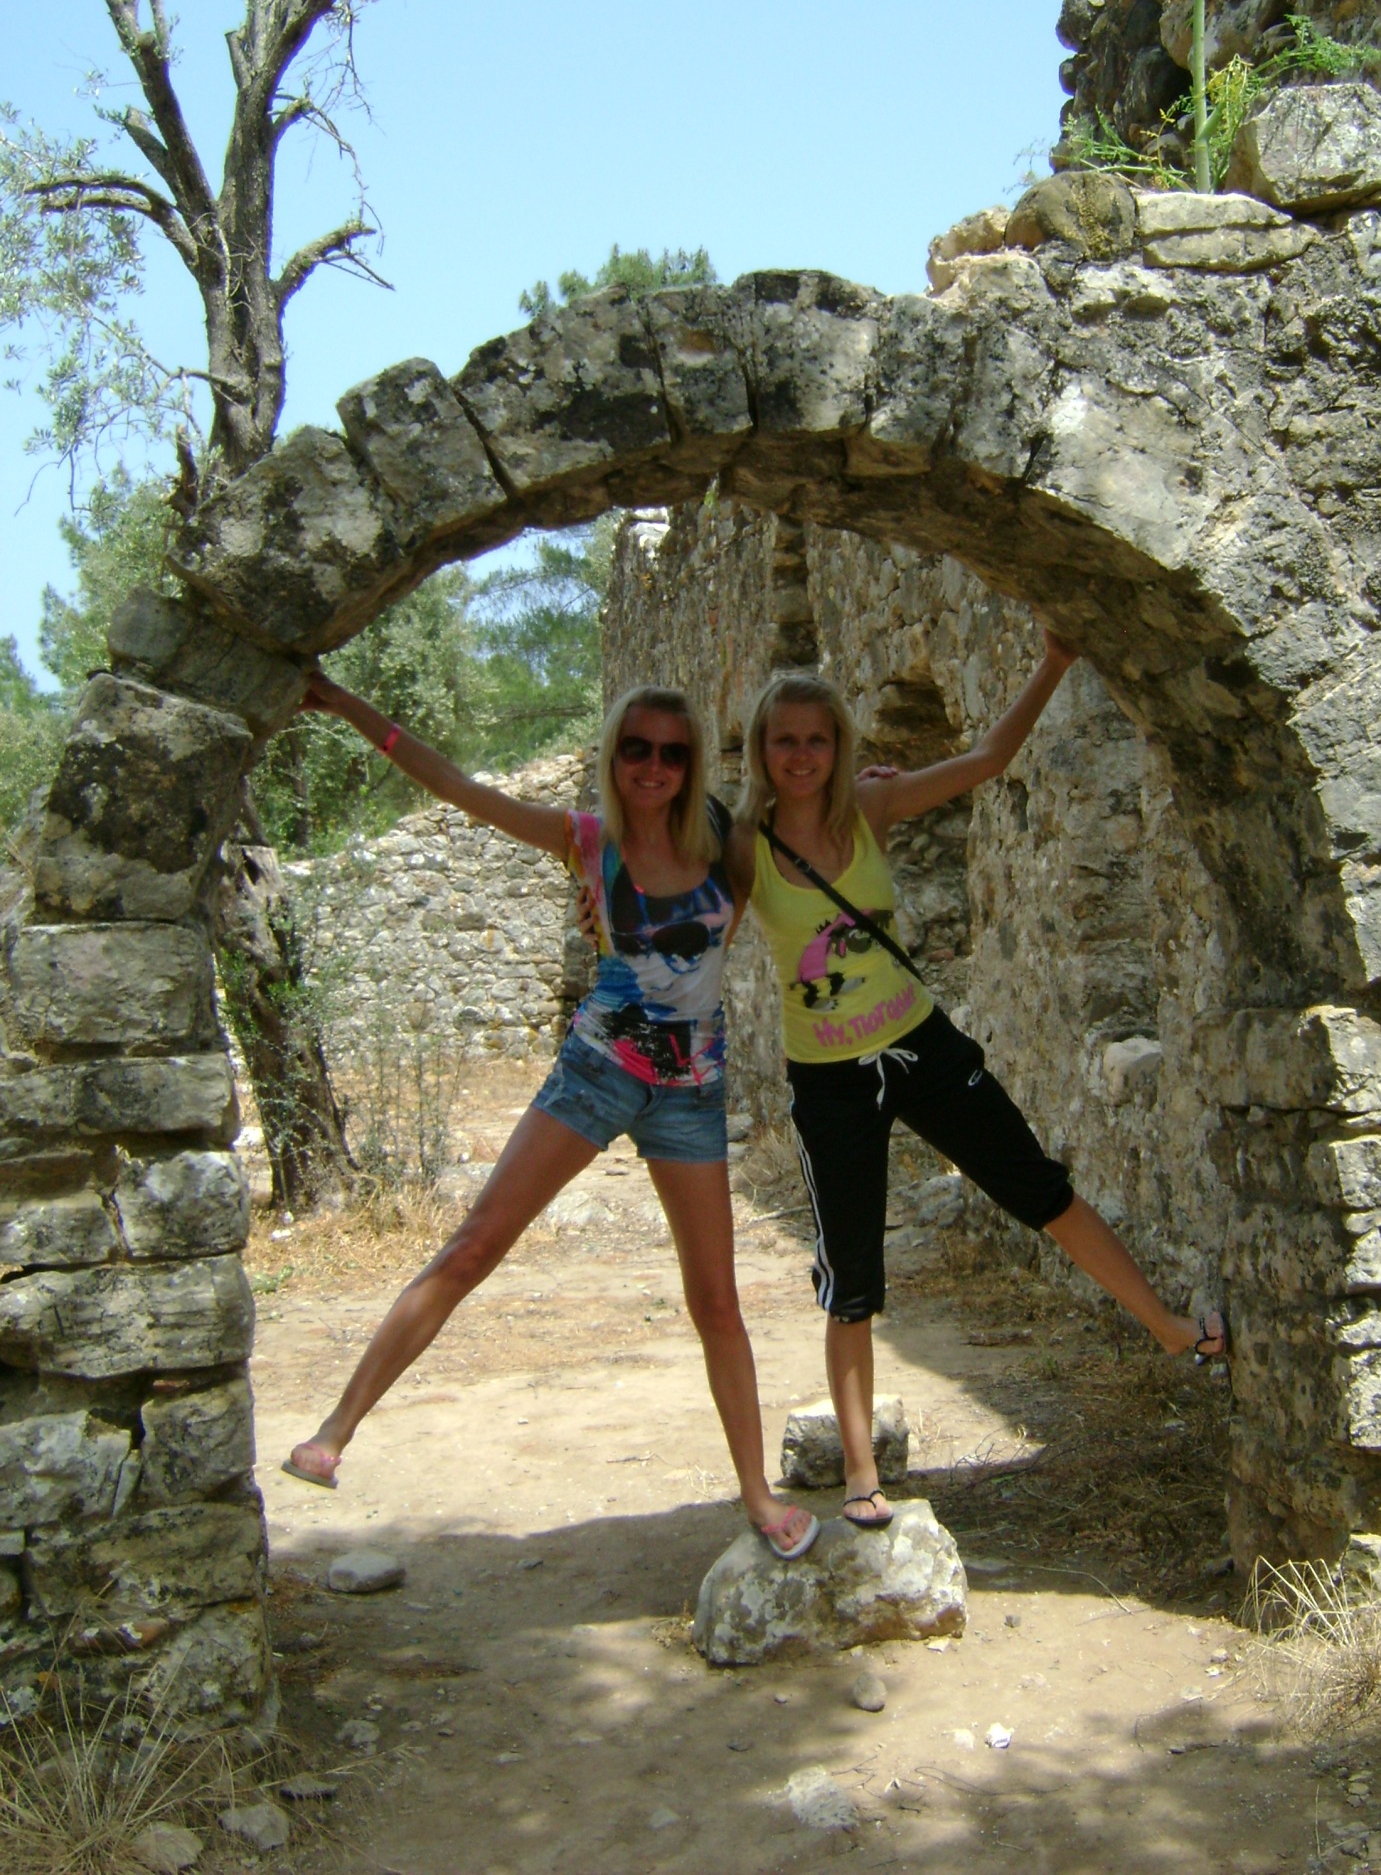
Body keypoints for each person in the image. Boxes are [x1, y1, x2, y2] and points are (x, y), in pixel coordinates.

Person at [283, 672, 817, 1559]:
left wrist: (871, 788)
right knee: (474, 1245)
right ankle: (334, 1430)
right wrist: (348, 706)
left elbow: (817, 818)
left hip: (691, 1091)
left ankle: (759, 1497)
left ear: (691, 763)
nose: (653, 766)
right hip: (595, 1072)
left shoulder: (730, 842)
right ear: (614, 755)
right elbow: (460, 788)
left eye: (672, 752)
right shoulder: (588, 841)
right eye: (636, 748)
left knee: (717, 1300)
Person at [740, 639, 1225, 1529]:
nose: (801, 755)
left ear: (838, 745)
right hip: (829, 1083)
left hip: (919, 1045)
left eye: (816, 738)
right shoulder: (746, 846)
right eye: (784, 740)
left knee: (1036, 1186)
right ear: (760, 751)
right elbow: (690, 919)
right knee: (851, 1276)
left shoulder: (872, 805)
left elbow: (990, 760)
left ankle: (1167, 1327)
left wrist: (1055, 660)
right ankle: (861, 1475)